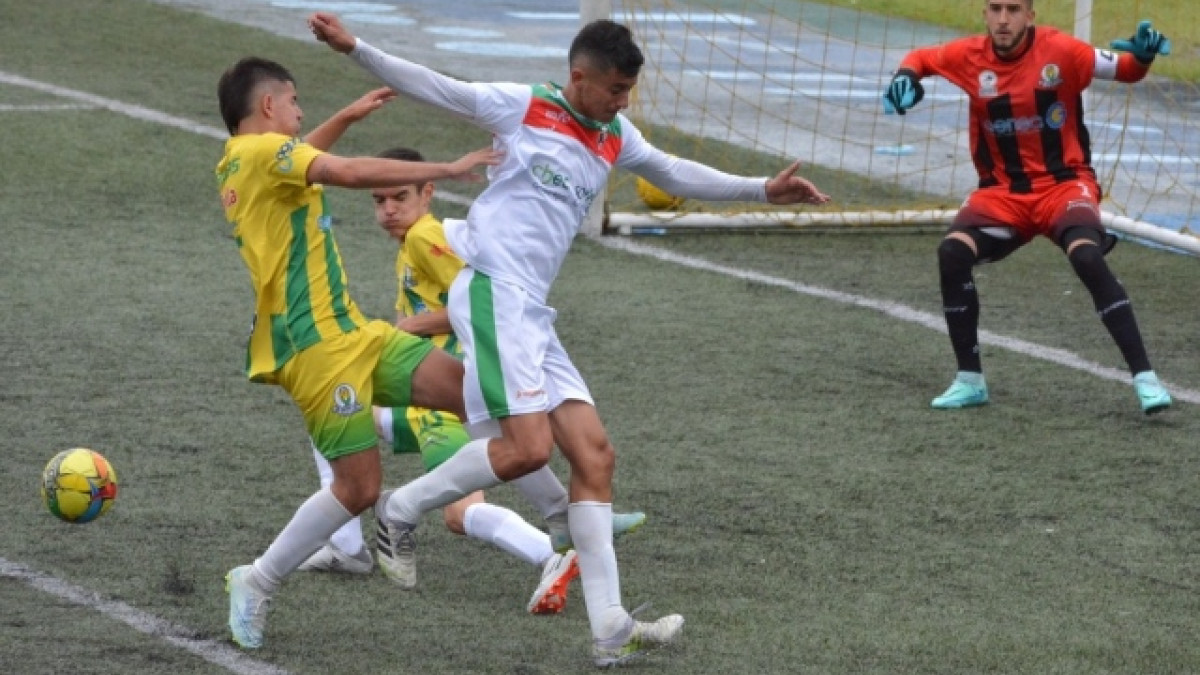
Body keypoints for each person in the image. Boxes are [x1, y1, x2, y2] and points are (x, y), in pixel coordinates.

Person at [308, 13, 830, 667]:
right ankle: (402, 507)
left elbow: (671, 170)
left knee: (595, 455)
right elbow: (433, 85)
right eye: (614, 90)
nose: (623, 102)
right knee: (527, 449)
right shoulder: (523, 107)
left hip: (533, 312)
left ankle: (610, 629)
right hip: (495, 293)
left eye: (628, 92)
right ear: (579, 77)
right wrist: (356, 48)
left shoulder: (614, 134)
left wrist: (762, 189)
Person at [214, 55, 502, 650]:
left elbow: (307, 159)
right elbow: (342, 172)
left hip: (357, 334)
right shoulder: (264, 154)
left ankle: (560, 530)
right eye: (294, 101)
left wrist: (344, 116)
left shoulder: (244, 161)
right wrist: (445, 168)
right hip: (317, 353)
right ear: (268, 106)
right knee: (358, 489)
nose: (300, 112)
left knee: (472, 395)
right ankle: (258, 578)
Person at [298, 146, 648, 615]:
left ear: (428, 192)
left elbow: (477, 297)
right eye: (378, 201)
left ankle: (551, 551)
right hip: (430, 402)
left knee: (462, 511)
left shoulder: (426, 237)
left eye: (398, 197)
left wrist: (408, 326)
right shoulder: (414, 241)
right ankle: (347, 546)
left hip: (446, 396)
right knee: (333, 420)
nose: (388, 210)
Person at [881, 1, 1173, 415]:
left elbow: (1126, 70)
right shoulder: (968, 56)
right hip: (1002, 194)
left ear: (1030, 16)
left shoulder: (1063, 51)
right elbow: (921, 58)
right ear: (984, 14)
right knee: (952, 252)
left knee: (1087, 255)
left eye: (1013, 9)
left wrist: (1142, 56)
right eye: (995, 8)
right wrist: (905, 77)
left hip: (1063, 185)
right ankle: (970, 380)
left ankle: (1146, 379)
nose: (1003, 19)